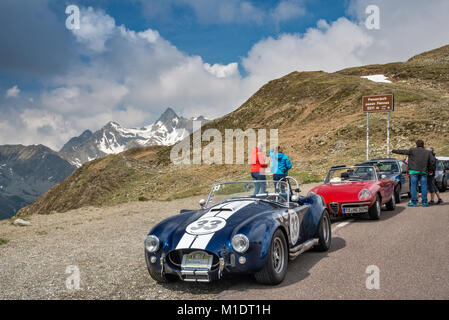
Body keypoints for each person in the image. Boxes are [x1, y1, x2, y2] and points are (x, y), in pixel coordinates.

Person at [392, 140, 434, 207]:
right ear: (423, 144)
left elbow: (403, 152)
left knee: (413, 187)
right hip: (424, 171)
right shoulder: (427, 152)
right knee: (424, 187)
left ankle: (414, 202)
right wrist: (430, 170)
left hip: (413, 171)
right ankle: (424, 202)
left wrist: (393, 150)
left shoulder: (412, 150)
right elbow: (432, 161)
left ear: (416, 144)